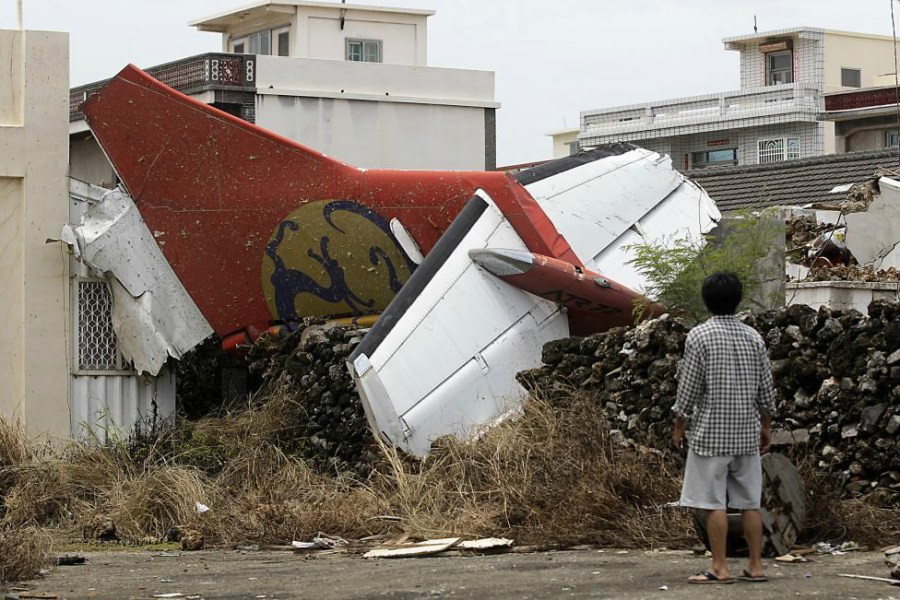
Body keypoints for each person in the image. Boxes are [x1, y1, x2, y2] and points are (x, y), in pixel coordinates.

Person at [671, 271, 776, 585]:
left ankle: (720, 567)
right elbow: (766, 390)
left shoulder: (699, 337)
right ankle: (756, 566)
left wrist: (679, 423)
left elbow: (688, 388)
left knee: (712, 502)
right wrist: (766, 425)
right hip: (746, 434)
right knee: (749, 503)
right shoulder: (753, 337)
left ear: (707, 300)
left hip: (710, 435)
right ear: (737, 299)